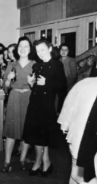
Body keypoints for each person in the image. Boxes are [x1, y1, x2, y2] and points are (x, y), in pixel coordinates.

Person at [22, 39, 66, 176]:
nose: (40, 53)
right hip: (35, 102)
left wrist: (47, 82)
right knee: (36, 134)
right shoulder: (36, 66)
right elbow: (36, 87)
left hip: (47, 104)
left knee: (43, 135)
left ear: (50, 48)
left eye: (43, 50)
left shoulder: (57, 65)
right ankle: (42, 161)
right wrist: (31, 83)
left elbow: (62, 87)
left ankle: (42, 162)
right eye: (38, 51)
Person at [1, 36, 35, 172]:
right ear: (17, 49)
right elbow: (6, 87)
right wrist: (8, 80)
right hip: (14, 96)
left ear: (30, 49)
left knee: (26, 132)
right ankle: (7, 162)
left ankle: (22, 160)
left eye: (26, 46)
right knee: (11, 131)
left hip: (28, 97)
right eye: (20, 46)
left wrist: (32, 83)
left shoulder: (34, 64)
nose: (22, 49)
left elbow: (37, 87)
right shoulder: (12, 65)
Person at [57, 44, 78, 113]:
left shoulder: (71, 60)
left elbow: (74, 75)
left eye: (65, 50)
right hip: (58, 86)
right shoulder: (57, 61)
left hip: (68, 86)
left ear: (68, 51)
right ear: (59, 51)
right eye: (62, 50)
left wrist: (64, 84)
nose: (63, 51)